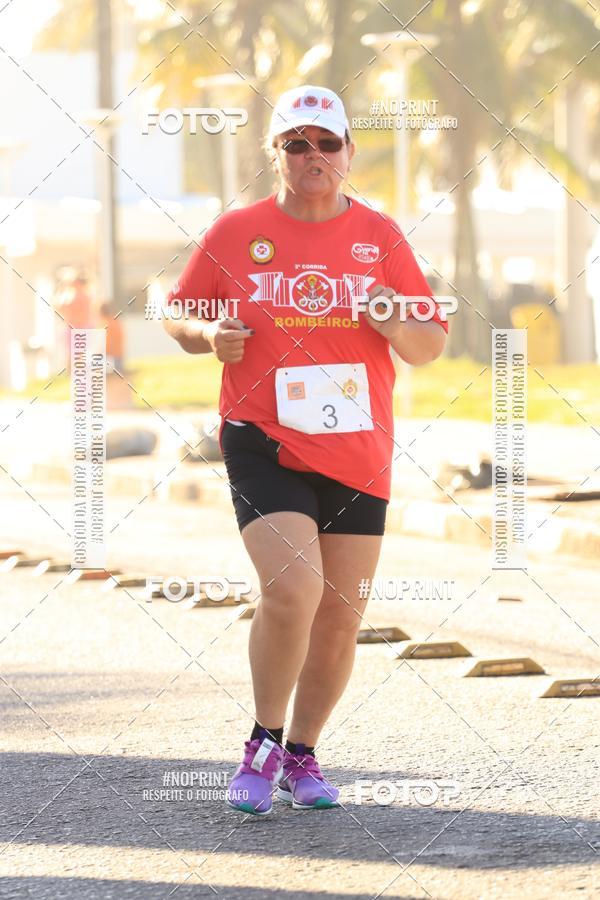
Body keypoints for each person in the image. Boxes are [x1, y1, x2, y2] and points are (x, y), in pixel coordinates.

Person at [163, 85, 448, 815]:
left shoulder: (380, 237)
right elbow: (180, 311)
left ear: (349, 153)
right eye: (297, 144)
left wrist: (388, 317)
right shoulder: (237, 232)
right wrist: (209, 338)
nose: (313, 156)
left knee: (341, 613)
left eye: (327, 143)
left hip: (357, 447)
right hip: (263, 437)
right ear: (277, 156)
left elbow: (428, 347)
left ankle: (303, 753)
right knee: (293, 591)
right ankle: (260, 742)